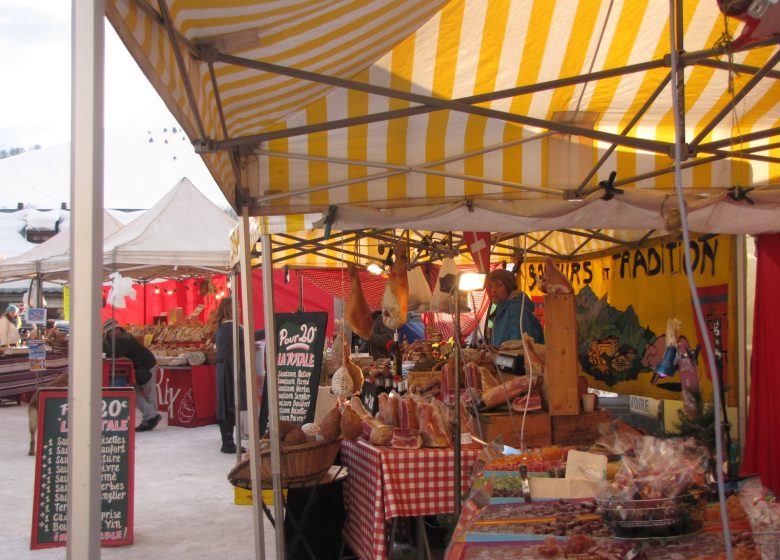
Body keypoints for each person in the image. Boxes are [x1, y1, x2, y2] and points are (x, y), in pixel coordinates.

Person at [103, 319, 162, 432]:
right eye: (110, 331)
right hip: (138, 367)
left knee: (147, 391)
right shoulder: (112, 339)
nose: (113, 332)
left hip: (147, 365)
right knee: (136, 392)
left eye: (115, 329)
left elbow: (113, 353)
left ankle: (151, 418)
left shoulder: (125, 339)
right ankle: (151, 417)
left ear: (119, 329)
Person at [214, 297, 247, 454]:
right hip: (229, 369)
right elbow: (250, 337)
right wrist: (271, 328)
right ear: (230, 309)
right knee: (229, 406)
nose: (240, 310)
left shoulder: (222, 327)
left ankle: (227, 441)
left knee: (226, 405)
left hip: (223, 368)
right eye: (238, 307)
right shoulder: (231, 327)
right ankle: (227, 442)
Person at [486, 269, 544, 347]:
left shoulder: (516, 309)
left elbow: (517, 347)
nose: (493, 290)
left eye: (499, 285)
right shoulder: (500, 312)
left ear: (509, 287)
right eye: (491, 286)